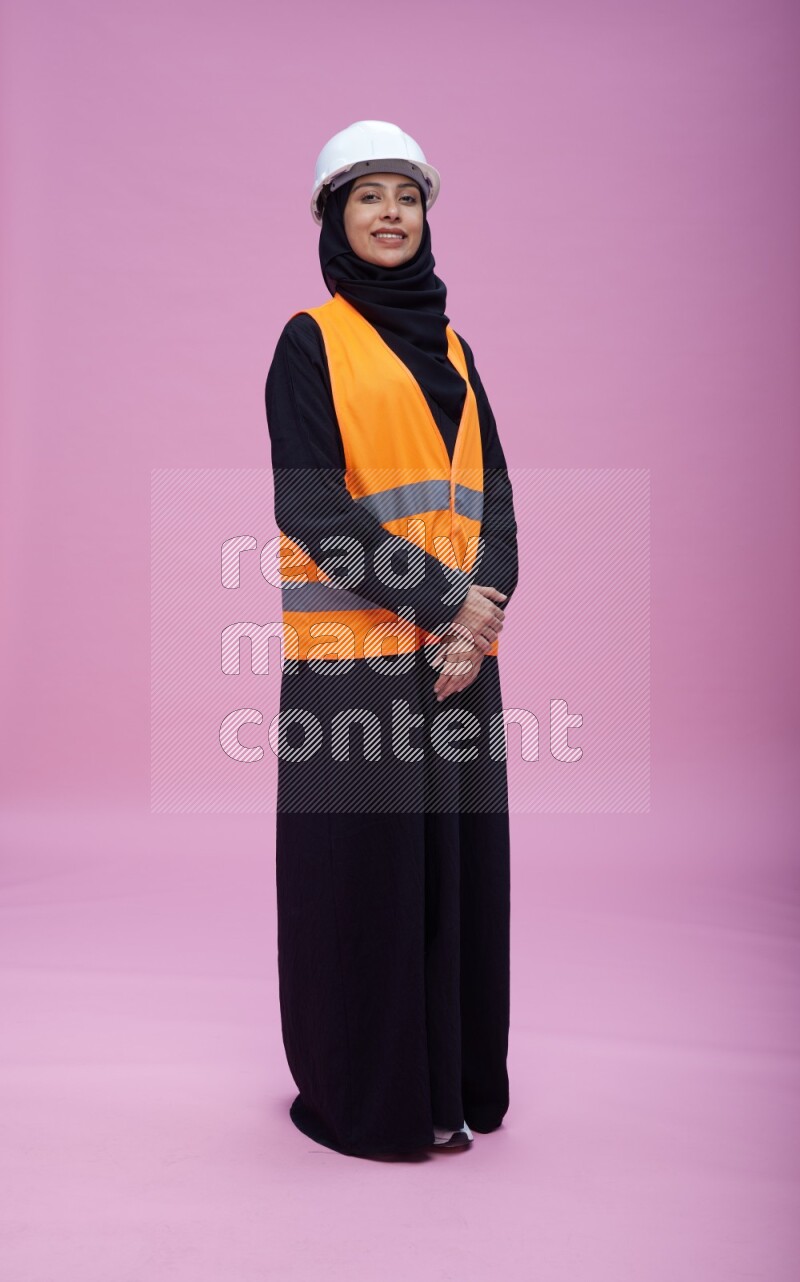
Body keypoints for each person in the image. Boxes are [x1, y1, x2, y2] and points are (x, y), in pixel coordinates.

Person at [264, 120, 519, 1158]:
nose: (390, 214)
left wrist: (483, 610)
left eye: (406, 197)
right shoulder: (309, 342)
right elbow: (312, 511)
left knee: (457, 881)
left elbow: (495, 496)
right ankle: (366, 1102)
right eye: (367, 196)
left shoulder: (456, 349)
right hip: (353, 674)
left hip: (458, 668)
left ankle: (446, 1092)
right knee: (360, 890)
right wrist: (452, 604)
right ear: (333, 216)